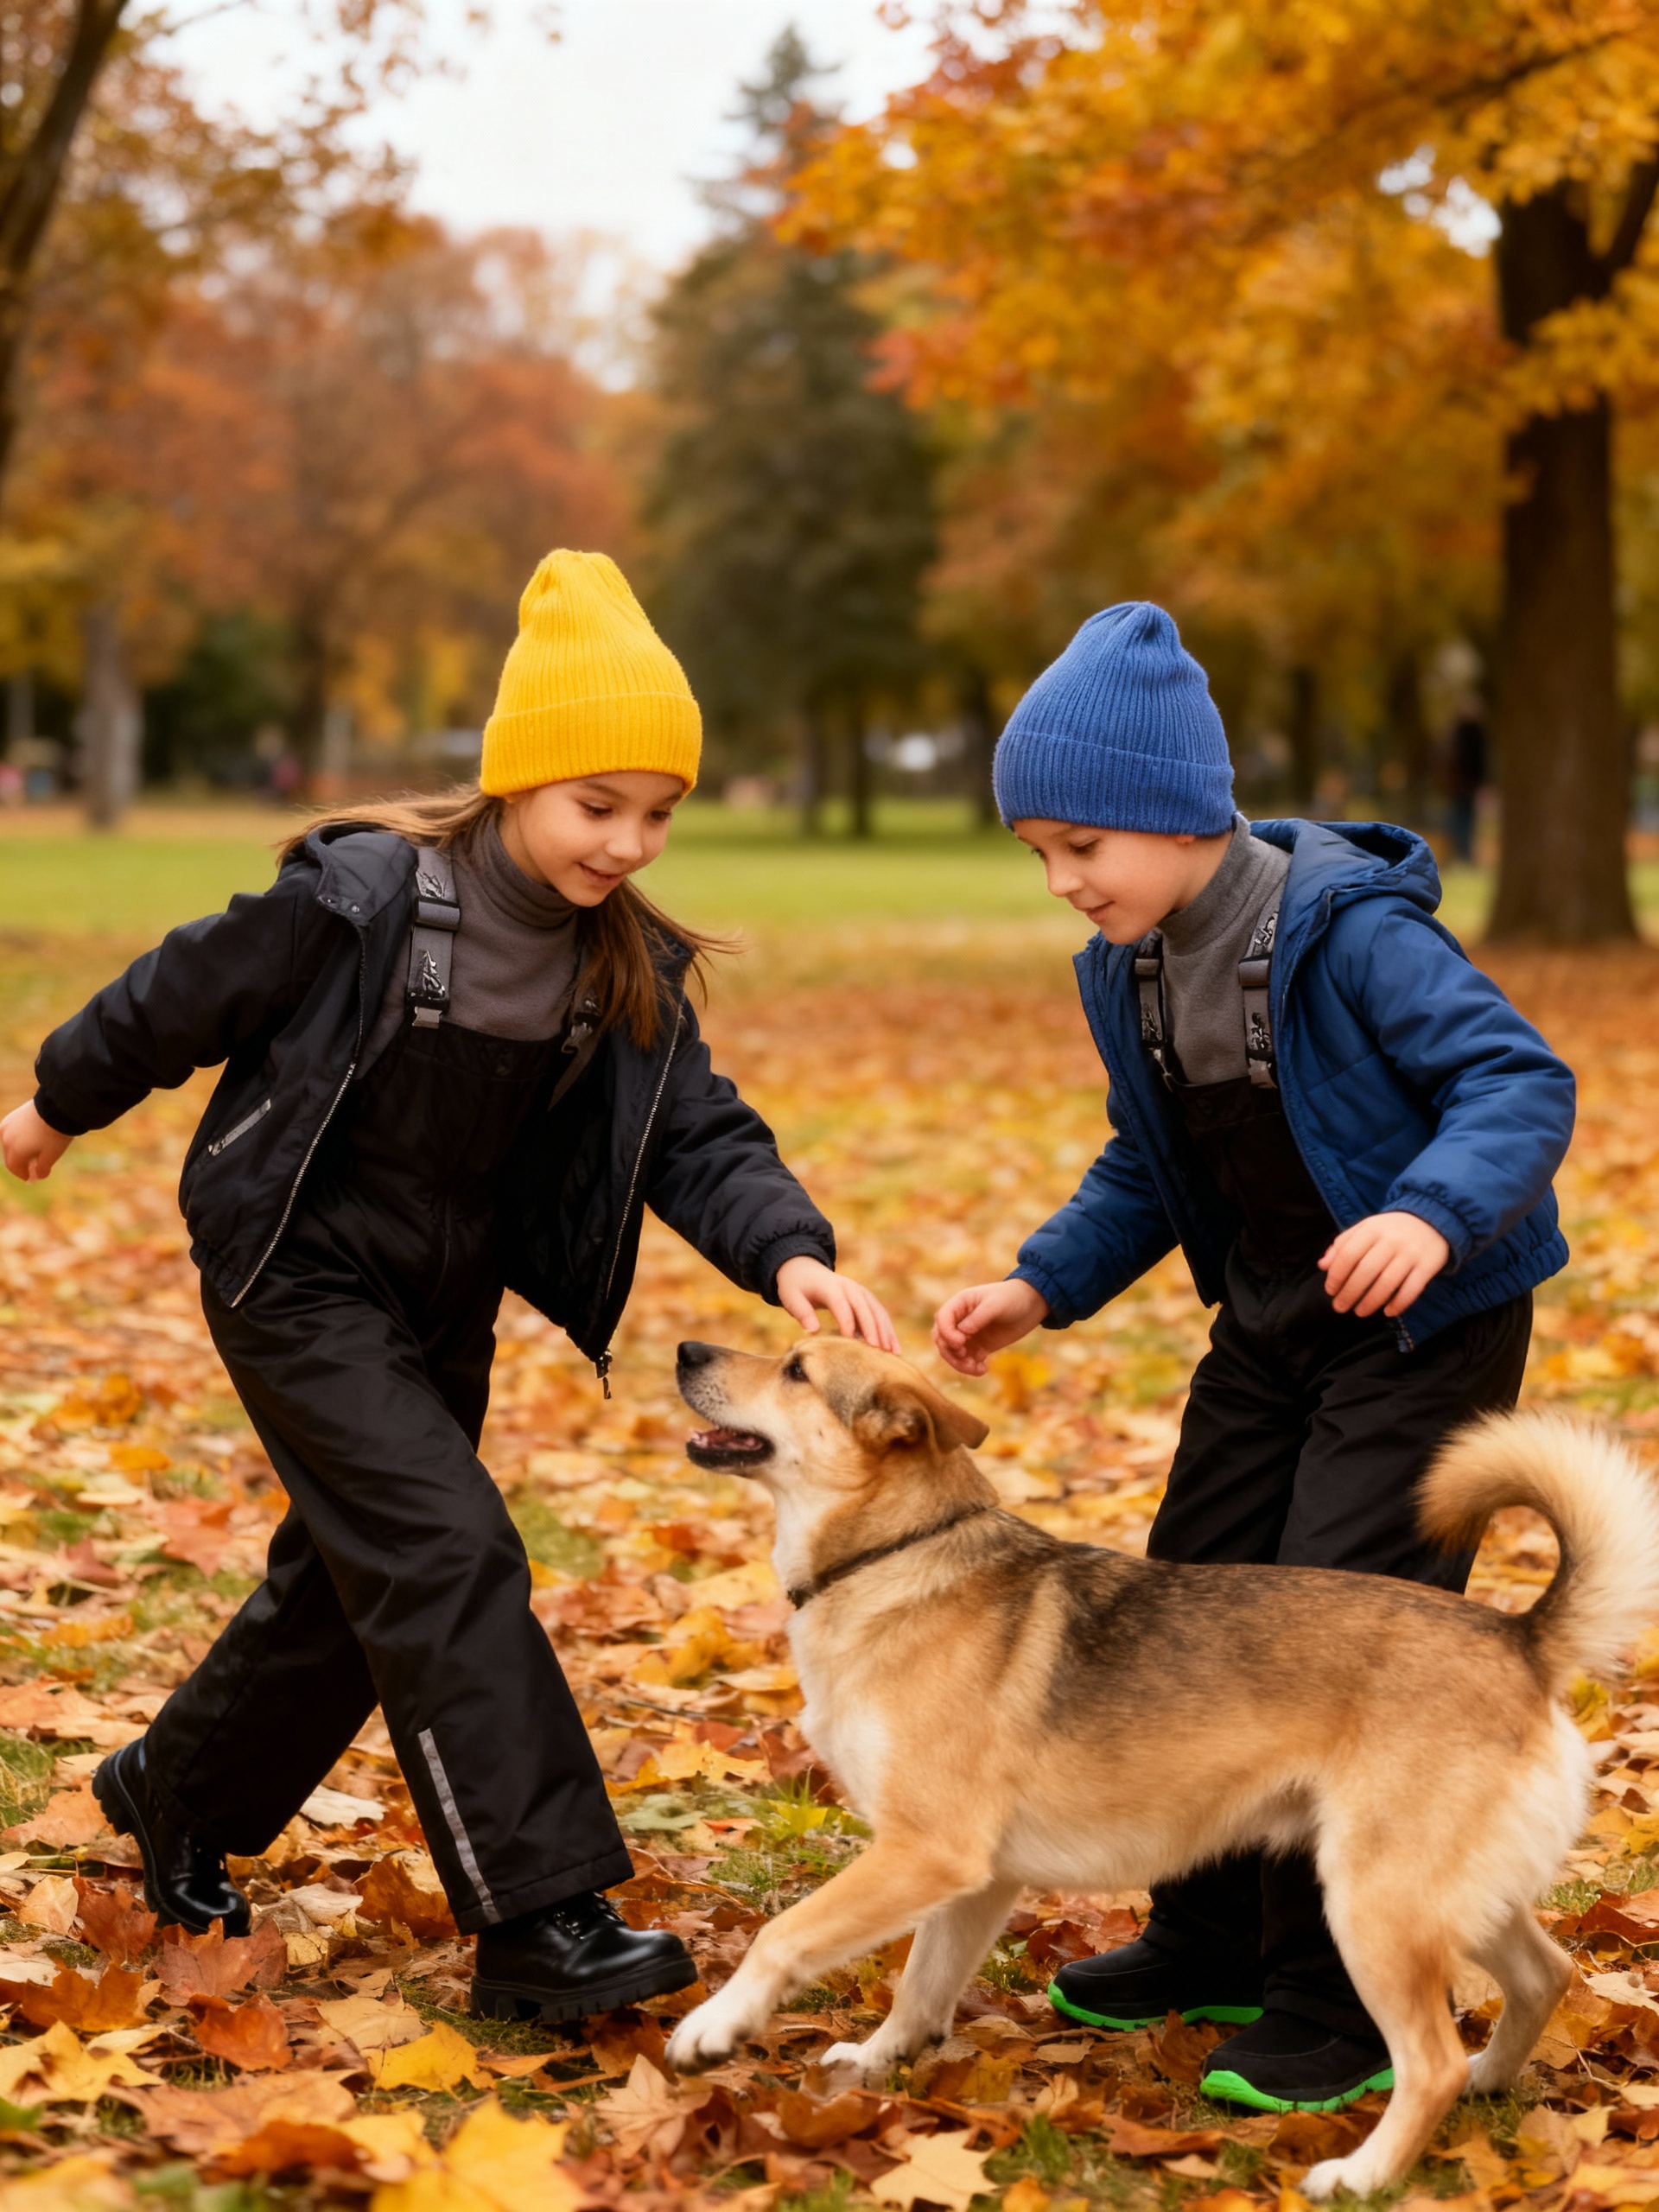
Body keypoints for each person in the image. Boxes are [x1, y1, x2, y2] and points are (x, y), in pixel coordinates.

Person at [0, 550, 897, 2024]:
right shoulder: (361, 897)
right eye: (596, 806)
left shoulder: (627, 973)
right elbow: (177, 995)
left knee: (356, 1583)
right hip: (294, 1266)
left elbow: (697, 1137)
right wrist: (54, 1103)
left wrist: (794, 1251)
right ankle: (542, 1919)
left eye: (658, 815)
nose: (628, 843)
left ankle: (176, 1789)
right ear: (516, 782)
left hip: (441, 1298)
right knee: (449, 1551)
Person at [932, 603, 1573, 2114]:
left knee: (1328, 1621)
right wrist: (1040, 1285)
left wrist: (1429, 1211)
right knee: (1185, 1596)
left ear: (1177, 811)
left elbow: (1516, 1078)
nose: (1063, 880)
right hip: (1277, 1315)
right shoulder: (1130, 968)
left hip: (1428, 1317)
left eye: (1082, 843)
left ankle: (1337, 2001)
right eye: (1039, 854)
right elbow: (1149, 1173)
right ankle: (1203, 1933)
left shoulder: (1352, 931)